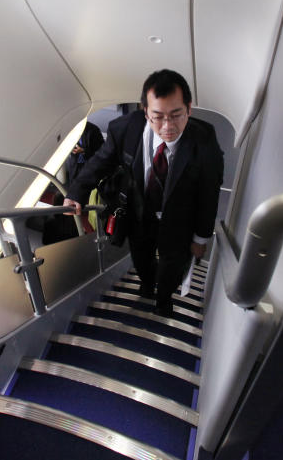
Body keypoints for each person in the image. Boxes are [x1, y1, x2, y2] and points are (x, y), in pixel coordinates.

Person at [64, 70, 223, 316]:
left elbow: (208, 193)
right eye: (158, 116)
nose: (167, 127)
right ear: (145, 110)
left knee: (172, 264)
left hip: (180, 219)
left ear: (189, 109)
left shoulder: (205, 140)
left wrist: (200, 239)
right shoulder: (124, 129)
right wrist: (77, 191)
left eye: (176, 115)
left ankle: (163, 299)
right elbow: (101, 161)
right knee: (141, 257)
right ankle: (147, 286)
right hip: (139, 213)